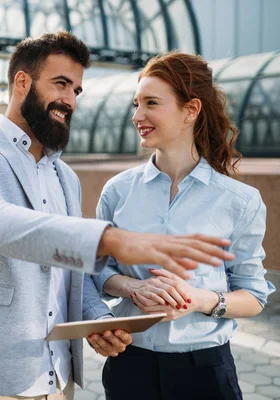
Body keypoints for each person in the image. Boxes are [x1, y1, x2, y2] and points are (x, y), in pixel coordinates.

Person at [0, 33, 234, 400]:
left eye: (76, 90)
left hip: (57, 374)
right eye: (61, 84)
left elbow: (72, 274)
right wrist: (111, 240)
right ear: (22, 82)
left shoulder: (66, 178)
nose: (70, 100)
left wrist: (100, 322)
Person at [92, 51, 276, 400]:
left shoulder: (240, 200)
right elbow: (97, 273)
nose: (137, 116)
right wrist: (133, 287)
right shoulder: (117, 191)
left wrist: (198, 300)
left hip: (205, 372)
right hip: (130, 365)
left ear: (190, 111)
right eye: (136, 103)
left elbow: (253, 295)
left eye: (151, 103)